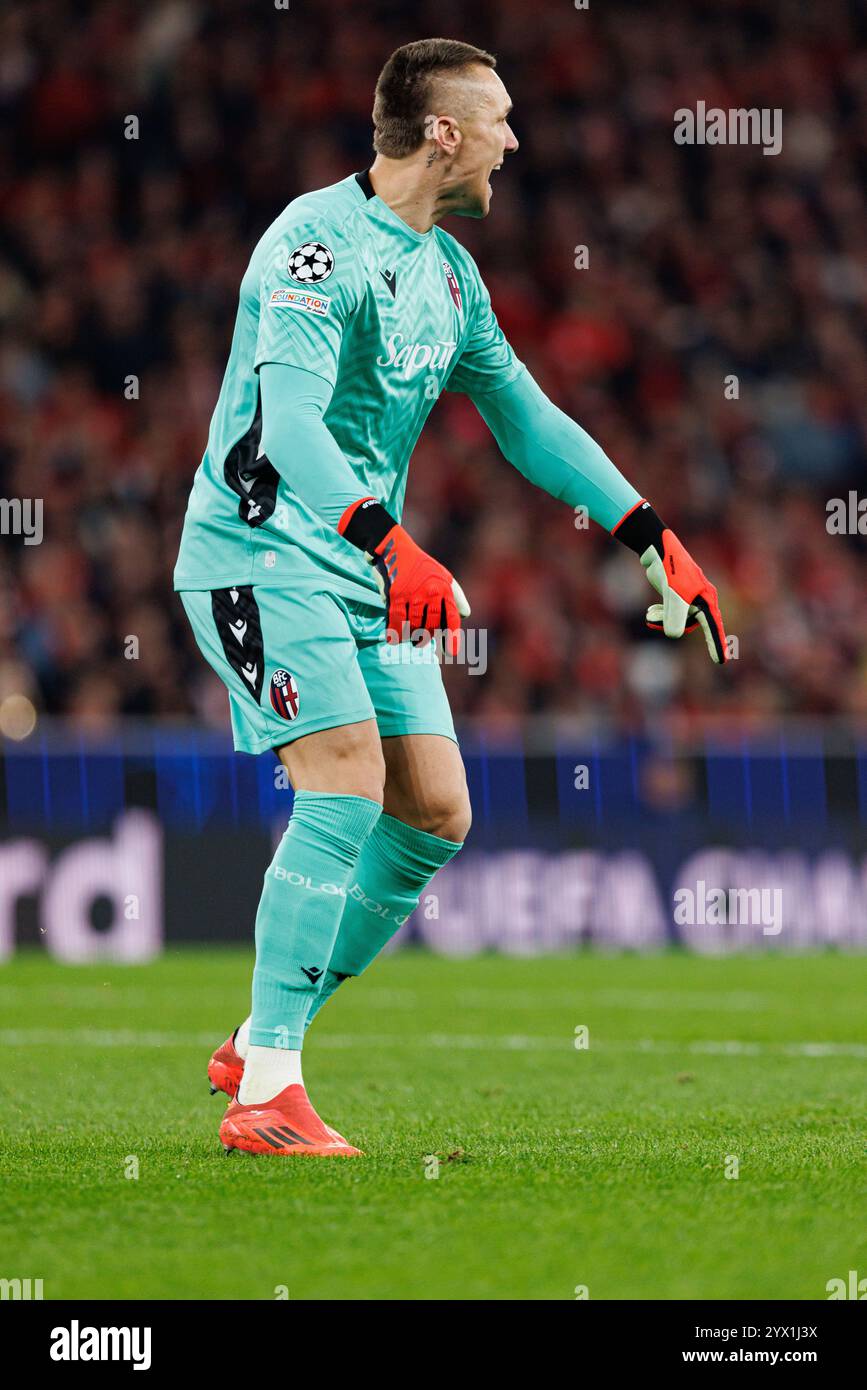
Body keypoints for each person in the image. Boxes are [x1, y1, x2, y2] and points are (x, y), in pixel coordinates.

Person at [174, 38, 727, 1158]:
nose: (515, 140)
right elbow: (286, 429)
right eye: (501, 119)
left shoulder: (449, 273)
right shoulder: (312, 246)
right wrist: (393, 543)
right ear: (444, 134)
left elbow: (525, 418)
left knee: (432, 815)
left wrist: (649, 532)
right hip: (263, 549)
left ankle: (262, 1035)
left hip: (362, 567)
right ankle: (266, 1096)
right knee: (341, 781)